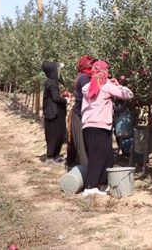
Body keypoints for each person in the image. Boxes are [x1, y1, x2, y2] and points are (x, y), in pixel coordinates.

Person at [81, 61, 134, 196]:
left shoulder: (87, 87)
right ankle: (90, 187)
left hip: (87, 126)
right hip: (100, 126)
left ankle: (102, 184)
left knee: (105, 156)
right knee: (98, 157)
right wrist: (118, 85)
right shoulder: (106, 86)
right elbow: (128, 94)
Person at [65, 55, 94, 170]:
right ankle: (85, 170)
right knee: (81, 143)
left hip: (80, 113)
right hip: (80, 114)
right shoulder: (84, 78)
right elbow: (90, 93)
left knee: (79, 142)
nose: (92, 66)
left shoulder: (83, 76)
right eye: (90, 64)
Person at [42, 61, 68, 163]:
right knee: (53, 135)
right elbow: (56, 98)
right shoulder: (51, 83)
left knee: (60, 134)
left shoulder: (53, 82)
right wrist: (66, 100)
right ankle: (50, 156)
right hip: (52, 113)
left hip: (57, 112)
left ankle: (56, 155)